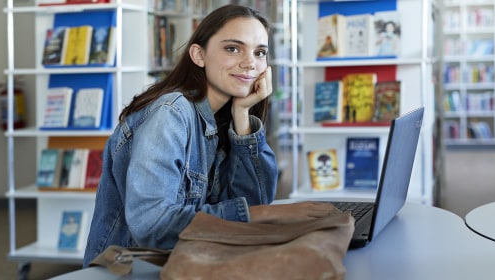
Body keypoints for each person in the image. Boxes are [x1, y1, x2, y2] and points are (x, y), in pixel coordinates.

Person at [83, 5, 338, 267]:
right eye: (232, 48)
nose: (250, 62)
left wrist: (242, 115)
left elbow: (251, 206)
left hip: (190, 264)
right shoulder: (170, 113)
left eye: (260, 52)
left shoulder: (222, 118)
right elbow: (152, 225)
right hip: (131, 270)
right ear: (199, 55)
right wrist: (268, 214)